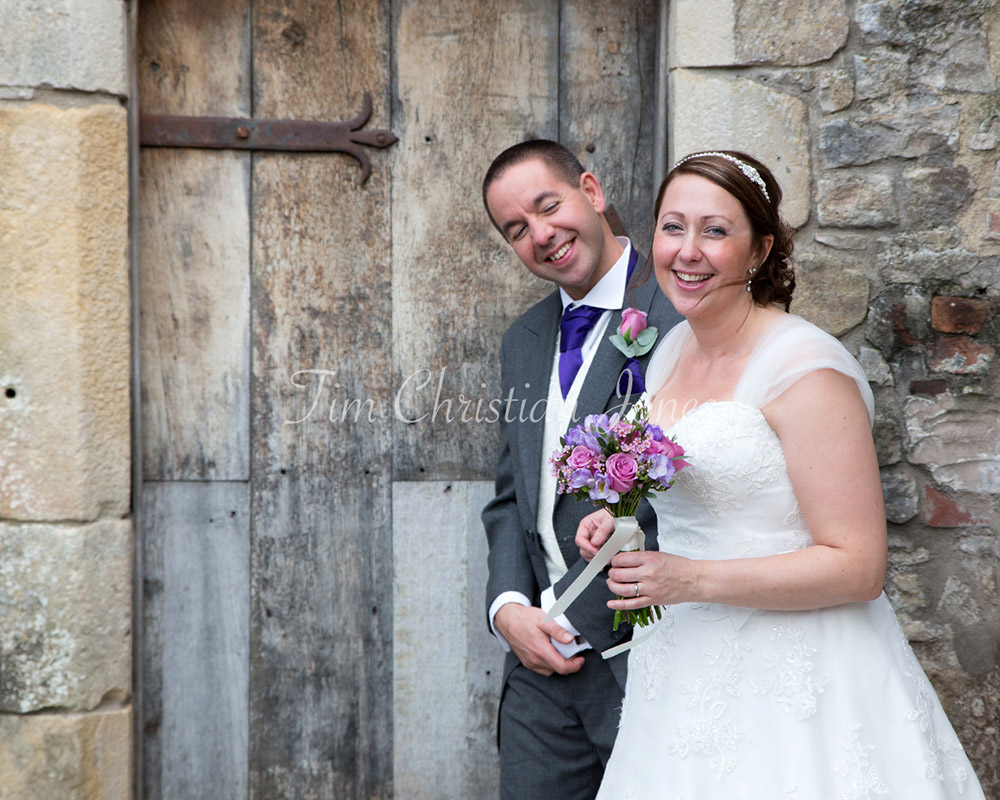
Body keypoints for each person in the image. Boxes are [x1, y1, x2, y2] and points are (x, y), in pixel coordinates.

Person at [574, 150, 987, 798]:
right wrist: (621, 519)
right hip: (681, 665)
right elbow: (702, 487)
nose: (687, 250)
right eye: (672, 226)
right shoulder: (671, 350)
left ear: (760, 250)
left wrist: (690, 578)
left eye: (715, 230)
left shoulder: (806, 371)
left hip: (793, 675)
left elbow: (858, 567)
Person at [480, 139, 682, 800]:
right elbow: (514, 498)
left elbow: (706, 472)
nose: (541, 235)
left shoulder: (683, 313)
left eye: (548, 207)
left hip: (650, 654)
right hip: (540, 673)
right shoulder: (523, 341)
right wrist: (508, 607)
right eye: (517, 229)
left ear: (591, 192)